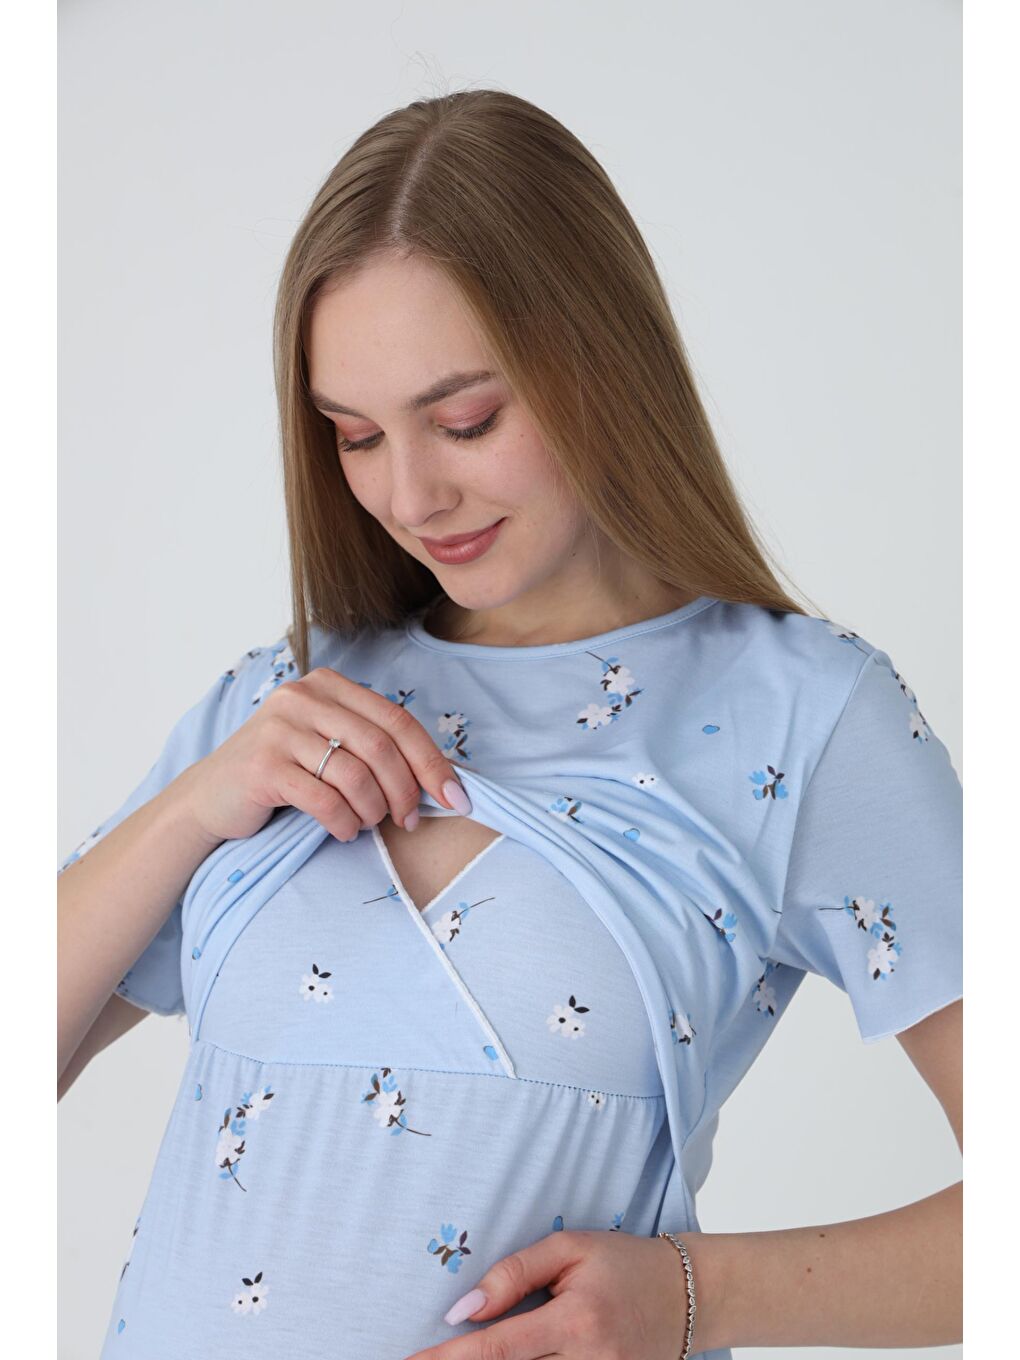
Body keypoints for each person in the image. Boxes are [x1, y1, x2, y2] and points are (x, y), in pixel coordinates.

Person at [57, 90, 962, 1359]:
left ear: (601, 359)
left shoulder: (804, 717)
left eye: (466, 421)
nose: (410, 494)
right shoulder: (284, 701)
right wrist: (192, 807)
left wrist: (694, 1294)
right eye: (353, 436)